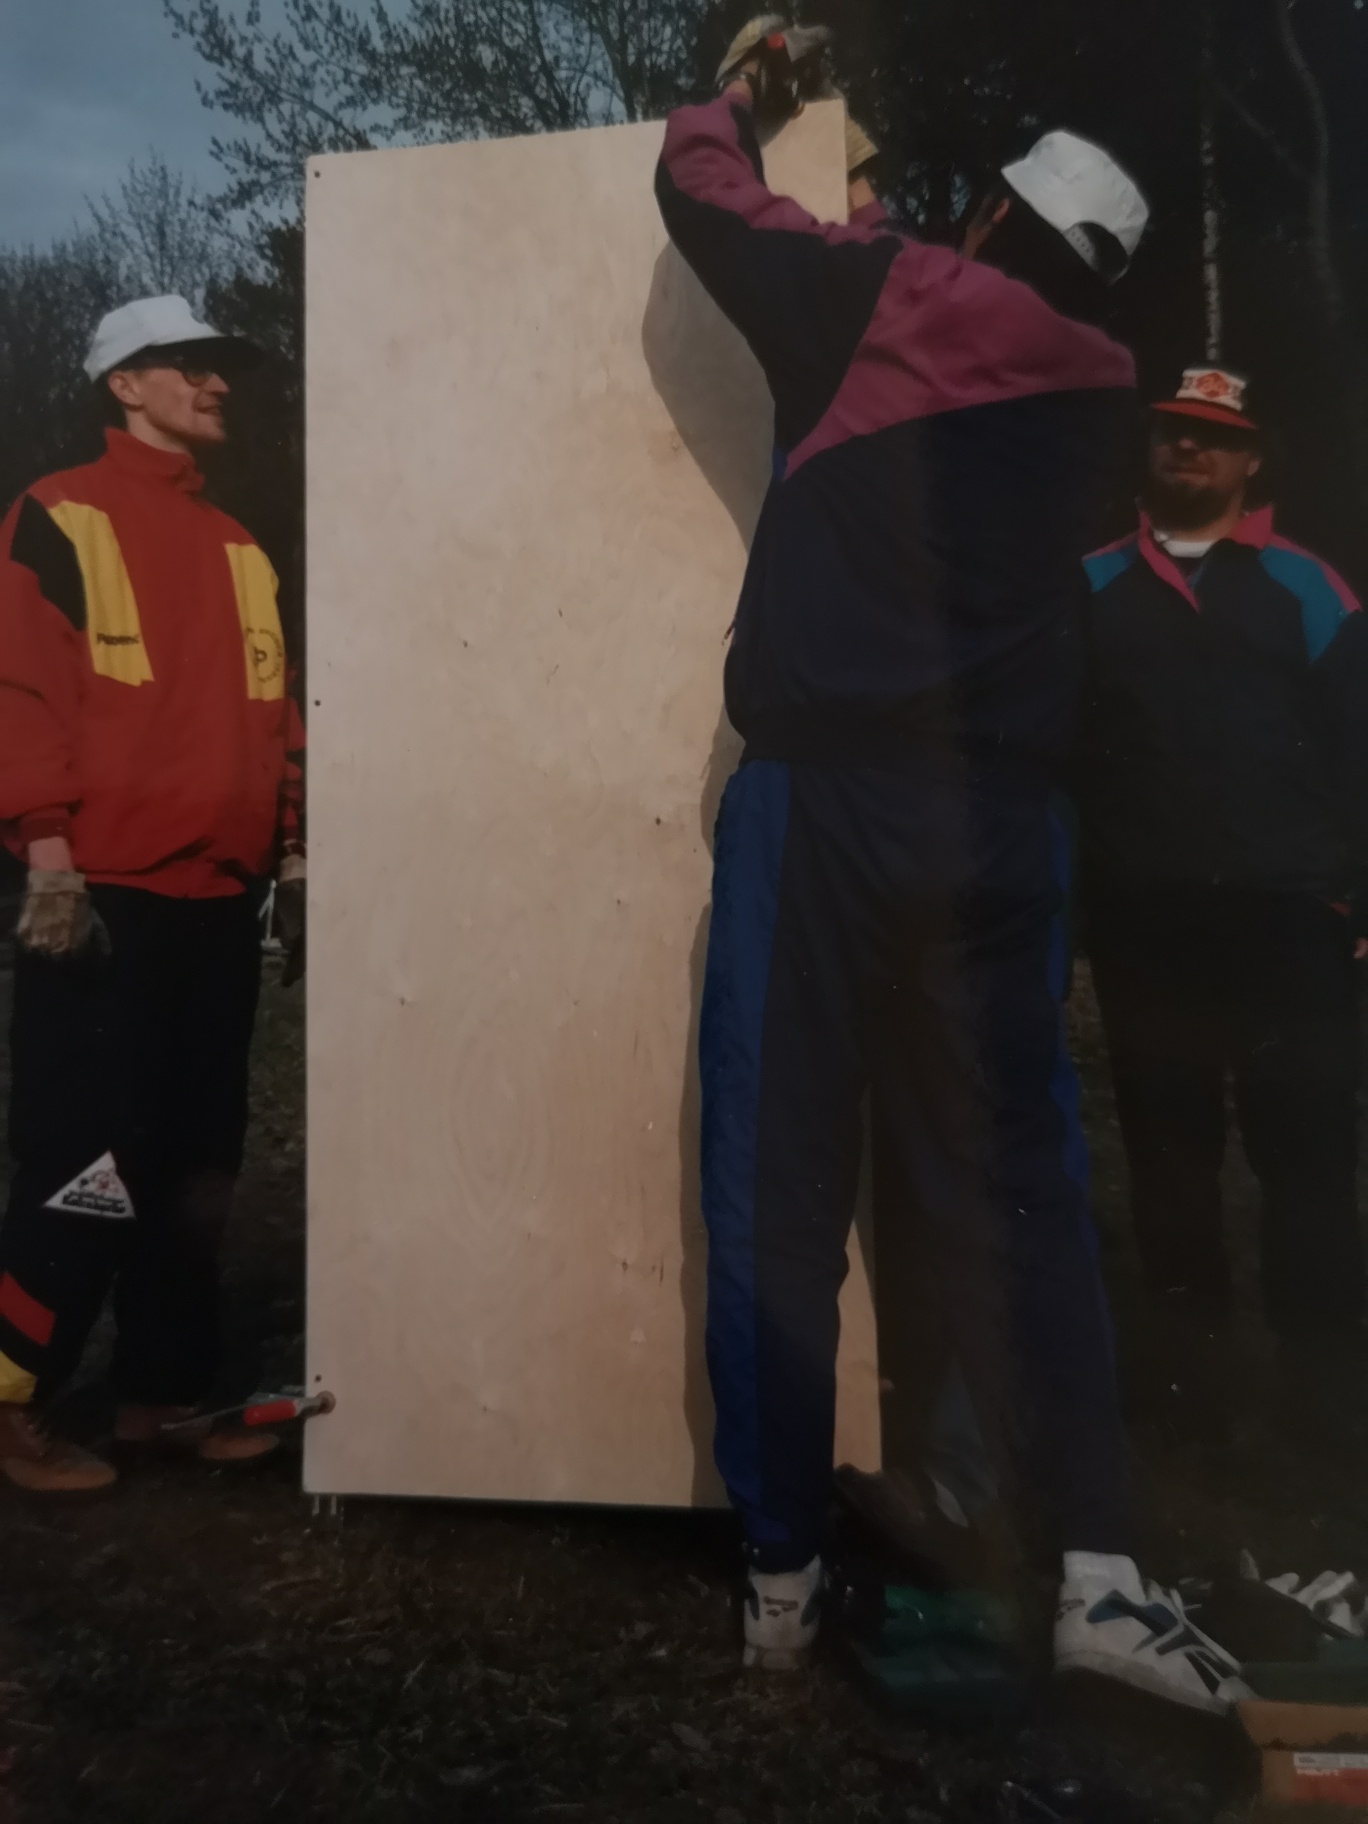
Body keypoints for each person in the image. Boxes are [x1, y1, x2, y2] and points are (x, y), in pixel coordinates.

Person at [656, 21, 1245, 1709]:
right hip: (996, 820)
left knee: (777, 1174)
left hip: (829, 800)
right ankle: (1096, 1569)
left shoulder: (888, 293)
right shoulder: (1102, 389)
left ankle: (781, 1574)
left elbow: (698, 192)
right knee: (1017, 1185)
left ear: (988, 213)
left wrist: (749, 90)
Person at [0, 294, 307, 1493]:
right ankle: (14, 1398)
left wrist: (293, 852)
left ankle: (161, 1399)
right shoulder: (55, 515)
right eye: (186, 364)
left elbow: (277, 718)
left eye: (218, 366)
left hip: (218, 905)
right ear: (123, 384)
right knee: (84, 1163)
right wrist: (47, 854)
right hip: (100, 902)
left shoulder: (241, 546)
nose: (215, 382)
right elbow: (21, 691)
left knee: (197, 1166)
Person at [1078, 367, 1368, 1335]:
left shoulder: (1309, 586)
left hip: (1290, 915)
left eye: (1216, 435)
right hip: (1146, 921)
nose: (1190, 446)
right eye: (1173, 430)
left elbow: (1360, 747)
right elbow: (1058, 755)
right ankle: (1190, 1374)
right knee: (1168, 1149)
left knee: (1308, 1149)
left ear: (1252, 460)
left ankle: (1320, 1380)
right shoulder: (1090, 586)